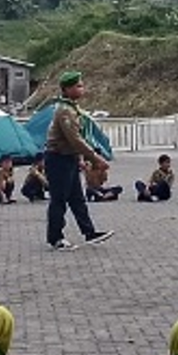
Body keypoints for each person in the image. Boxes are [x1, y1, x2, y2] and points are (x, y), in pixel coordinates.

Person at [42, 71, 114, 250]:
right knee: (59, 200)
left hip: (69, 157)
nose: (82, 89)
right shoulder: (64, 111)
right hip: (58, 158)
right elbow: (74, 139)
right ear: (67, 89)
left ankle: (89, 232)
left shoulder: (72, 108)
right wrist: (95, 158)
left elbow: (76, 139)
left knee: (77, 199)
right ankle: (55, 237)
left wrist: (80, 158)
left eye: (82, 85)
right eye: (78, 86)